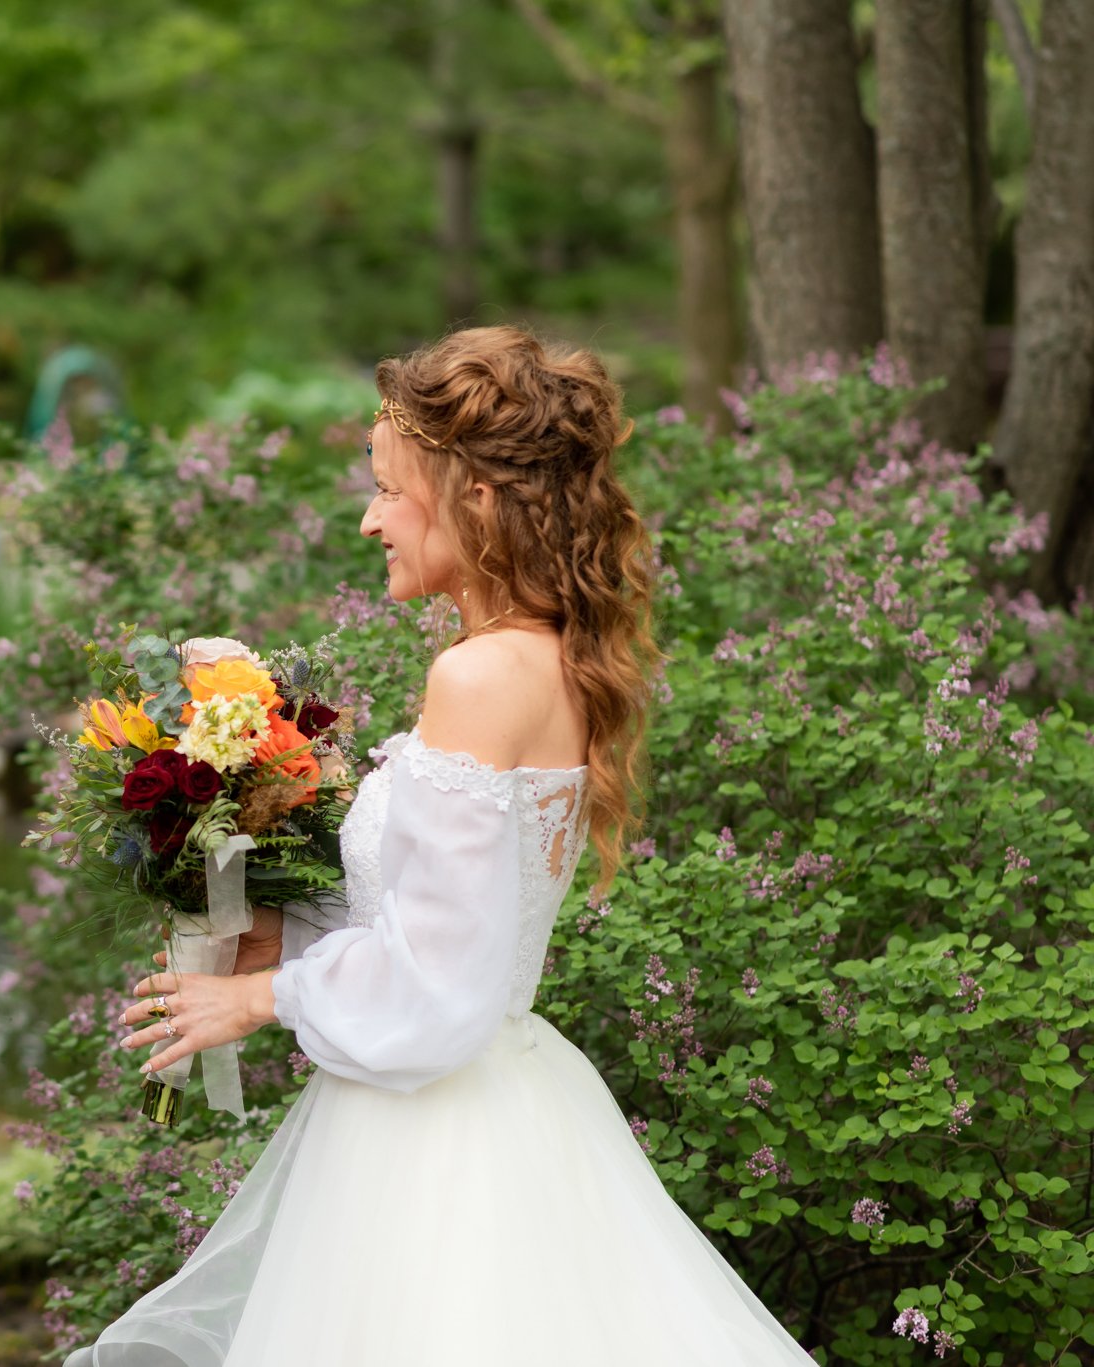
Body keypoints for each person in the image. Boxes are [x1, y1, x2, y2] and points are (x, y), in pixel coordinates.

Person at [71, 327, 816, 1364]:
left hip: (436, 1144)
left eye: (388, 488)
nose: (369, 517)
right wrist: (272, 927)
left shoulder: (479, 679)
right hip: (493, 1096)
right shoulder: (541, 659)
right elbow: (428, 918)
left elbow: (441, 990)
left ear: (473, 497)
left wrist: (256, 999)